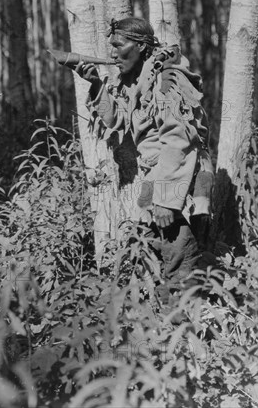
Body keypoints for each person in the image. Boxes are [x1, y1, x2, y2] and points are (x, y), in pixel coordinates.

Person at [76, 17, 214, 302]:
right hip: (158, 176)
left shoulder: (166, 80)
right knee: (148, 254)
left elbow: (180, 142)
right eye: (110, 46)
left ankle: (186, 332)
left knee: (178, 262)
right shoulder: (138, 81)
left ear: (140, 46)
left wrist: (166, 199)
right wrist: (95, 85)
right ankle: (159, 329)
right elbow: (118, 119)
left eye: (118, 45)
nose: (112, 53)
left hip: (180, 180)